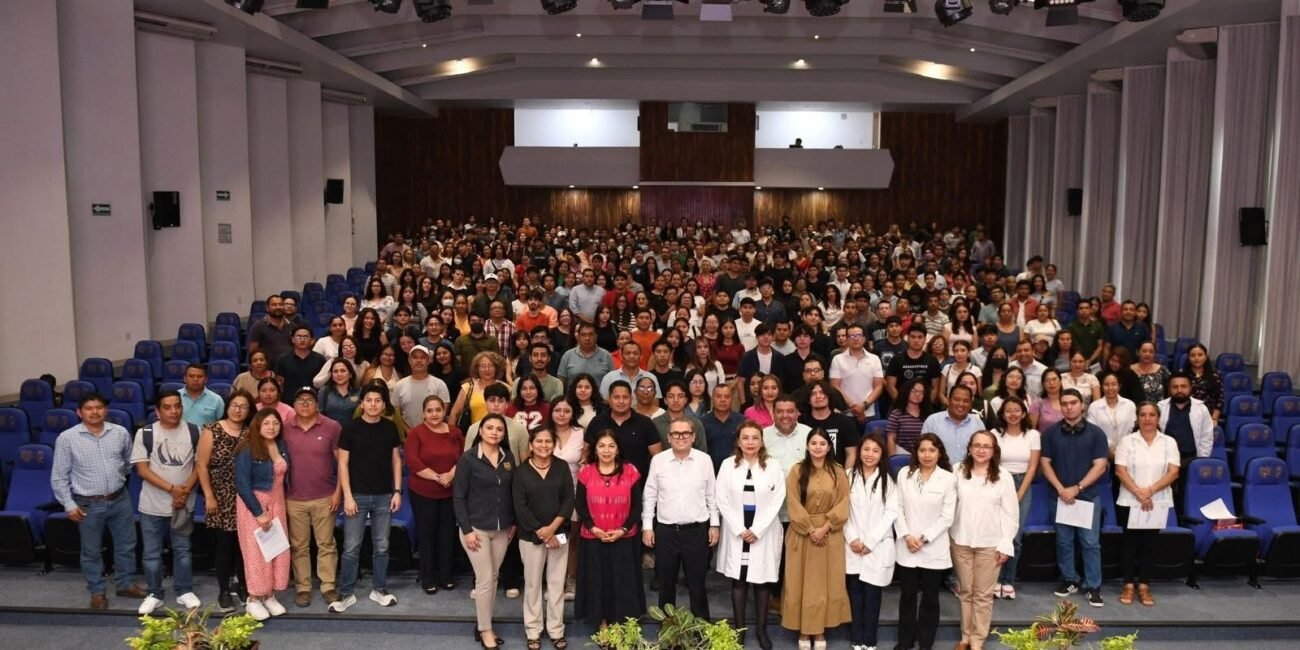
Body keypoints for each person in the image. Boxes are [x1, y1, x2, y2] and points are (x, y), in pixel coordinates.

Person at [50, 393, 147, 609]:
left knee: (126, 545)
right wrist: (69, 504)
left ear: (106, 410)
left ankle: (125, 584)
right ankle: (97, 591)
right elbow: (59, 476)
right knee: (91, 551)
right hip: (87, 504)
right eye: (89, 408)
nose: (95, 412)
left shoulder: (120, 433)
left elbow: (127, 462)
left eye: (99, 407)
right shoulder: (67, 438)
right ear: (79, 412)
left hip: (119, 498)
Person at [331, 385, 404, 612]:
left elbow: (396, 460)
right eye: (369, 400)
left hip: (384, 495)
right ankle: (346, 593)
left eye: (378, 400)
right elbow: (342, 464)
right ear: (362, 403)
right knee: (351, 547)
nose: (373, 404)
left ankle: (379, 589)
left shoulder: (390, 427)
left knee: (382, 546)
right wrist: (348, 497)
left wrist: (397, 491)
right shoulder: (350, 429)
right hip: (357, 496)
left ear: (384, 404)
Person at [129, 390, 200, 615]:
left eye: (177, 406)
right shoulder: (145, 433)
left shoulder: (193, 431)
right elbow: (142, 469)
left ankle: (184, 590)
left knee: (183, 550)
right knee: (151, 553)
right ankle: (154, 593)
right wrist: (173, 489)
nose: (174, 411)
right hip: (152, 505)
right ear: (158, 411)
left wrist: (185, 491)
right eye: (167, 407)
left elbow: (200, 465)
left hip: (183, 505)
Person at [715, 420, 785, 650]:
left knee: (762, 581)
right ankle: (740, 630)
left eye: (755, 437)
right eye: (745, 437)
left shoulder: (773, 465)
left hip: (763, 531)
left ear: (762, 440)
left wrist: (757, 529)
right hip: (737, 530)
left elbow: (778, 499)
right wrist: (739, 529)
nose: (750, 442)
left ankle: (762, 630)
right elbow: (721, 499)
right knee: (739, 580)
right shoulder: (727, 465)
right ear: (738, 441)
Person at [642, 418, 719, 619]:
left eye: (686, 433)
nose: (681, 437)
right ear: (668, 438)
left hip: (697, 531)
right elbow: (650, 495)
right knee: (666, 585)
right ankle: (667, 631)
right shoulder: (659, 461)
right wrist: (647, 527)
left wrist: (715, 524)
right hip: (666, 531)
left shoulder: (705, 460)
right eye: (676, 433)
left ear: (693, 437)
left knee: (697, 585)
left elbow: (712, 494)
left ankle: (702, 631)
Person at [781, 428, 851, 650]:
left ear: (829, 447)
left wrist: (825, 527)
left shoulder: (838, 472)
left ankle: (820, 631)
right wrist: (811, 529)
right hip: (802, 534)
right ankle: (803, 630)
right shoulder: (797, 471)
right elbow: (792, 503)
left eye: (822, 443)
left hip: (830, 535)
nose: (818, 447)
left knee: (825, 585)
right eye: (814, 443)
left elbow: (843, 503)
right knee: (800, 583)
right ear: (807, 445)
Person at [1040, 389, 1110, 607]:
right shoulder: (1050, 433)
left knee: (1090, 543)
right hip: (1060, 497)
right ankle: (1069, 579)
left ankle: (1092, 586)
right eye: (1064, 403)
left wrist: (1077, 488)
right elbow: (1045, 463)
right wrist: (1062, 489)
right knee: (1064, 541)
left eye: (1073, 402)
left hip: (1087, 496)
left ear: (1082, 405)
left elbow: (1100, 466)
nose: (1069, 407)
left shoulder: (1096, 433)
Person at [951, 431, 1019, 650]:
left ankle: (977, 640)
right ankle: (965, 637)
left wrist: (1006, 542)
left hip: (990, 543)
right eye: (977, 445)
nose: (981, 450)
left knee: (982, 595)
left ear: (993, 451)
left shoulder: (1003, 476)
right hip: (960, 540)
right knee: (966, 591)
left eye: (986, 446)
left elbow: (1011, 513)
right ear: (970, 448)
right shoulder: (957, 470)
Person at [454, 413, 517, 650]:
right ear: (480, 431)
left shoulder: (508, 457)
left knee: (493, 578)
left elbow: (513, 492)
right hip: (476, 529)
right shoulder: (468, 459)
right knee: (484, 580)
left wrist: (513, 523)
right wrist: (466, 529)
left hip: (502, 529)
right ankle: (485, 629)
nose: (494, 432)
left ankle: (484, 622)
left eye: (499, 429)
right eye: (489, 428)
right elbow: (458, 497)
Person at [573, 429, 646, 628]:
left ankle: (619, 622)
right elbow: (580, 505)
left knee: (622, 582)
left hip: (624, 537)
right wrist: (593, 528)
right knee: (598, 582)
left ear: (618, 449)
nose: (607, 450)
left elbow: (637, 506)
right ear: (595, 449)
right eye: (602, 446)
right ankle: (602, 622)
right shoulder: (586, 472)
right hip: (593, 538)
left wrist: (623, 529)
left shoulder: (630, 471)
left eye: (611, 446)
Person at [1111, 402, 1180, 608]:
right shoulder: (1127, 441)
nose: (1147, 419)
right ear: (1137, 418)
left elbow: (1173, 471)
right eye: (1143, 415)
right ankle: (1128, 585)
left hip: (1157, 501)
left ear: (1158, 418)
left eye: (1152, 415)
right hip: (1129, 501)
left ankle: (1144, 585)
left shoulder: (1169, 442)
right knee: (1129, 544)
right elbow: (1120, 471)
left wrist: (1149, 491)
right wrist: (1139, 493)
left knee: (1150, 545)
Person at [513, 427, 576, 650]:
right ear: (530, 445)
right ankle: (533, 630)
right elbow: (519, 507)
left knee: (557, 584)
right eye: (538, 441)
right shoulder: (520, 472)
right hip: (530, 536)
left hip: (559, 533)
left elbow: (569, 500)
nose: (543, 445)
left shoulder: (561, 468)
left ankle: (556, 629)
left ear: (553, 444)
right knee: (532, 584)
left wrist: (552, 528)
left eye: (548, 441)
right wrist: (542, 531)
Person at [280, 386, 343, 609]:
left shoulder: (332, 427)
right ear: (293, 405)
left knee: (326, 544)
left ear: (317, 404)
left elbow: (342, 463)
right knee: (299, 546)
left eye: (309, 400)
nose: (305, 404)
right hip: (294, 497)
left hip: (325, 497)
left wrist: (338, 492)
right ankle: (303, 587)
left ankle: (328, 585)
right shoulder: (284, 428)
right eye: (300, 400)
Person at [894, 433, 956, 650]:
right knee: (907, 597)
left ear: (939, 453)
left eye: (932, 450)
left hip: (933, 546)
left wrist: (924, 538)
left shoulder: (948, 478)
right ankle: (905, 641)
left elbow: (947, 516)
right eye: (922, 450)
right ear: (916, 453)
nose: (927, 455)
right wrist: (907, 535)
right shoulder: (904, 474)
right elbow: (897, 508)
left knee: (930, 598)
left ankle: (926, 643)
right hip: (906, 544)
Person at [233, 407, 291, 621]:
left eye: (275, 423)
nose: (271, 427)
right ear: (257, 425)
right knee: (257, 554)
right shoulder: (247, 449)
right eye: (266, 423)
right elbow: (242, 484)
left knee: (277, 551)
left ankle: (269, 595)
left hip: (277, 503)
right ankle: (254, 599)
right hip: (254, 505)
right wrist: (258, 513)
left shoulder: (281, 445)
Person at [197, 390, 253, 611]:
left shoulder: (250, 433)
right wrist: (209, 495)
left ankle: (242, 584)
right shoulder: (212, 430)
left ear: (249, 411)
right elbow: (201, 465)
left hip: (245, 495)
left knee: (244, 545)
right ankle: (223, 589)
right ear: (227, 407)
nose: (238, 410)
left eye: (244, 407)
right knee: (225, 544)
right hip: (220, 495)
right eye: (235, 405)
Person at [844, 434, 898, 650]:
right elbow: (842, 511)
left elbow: (891, 512)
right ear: (859, 451)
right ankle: (857, 639)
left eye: (875, 450)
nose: (869, 454)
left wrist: (871, 540)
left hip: (877, 545)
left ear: (881, 454)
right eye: (866, 449)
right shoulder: (848, 476)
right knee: (855, 593)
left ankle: (870, 640)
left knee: (873, 595)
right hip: (852, 544)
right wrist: (853, 538)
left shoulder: (888, 480)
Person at [405, 395, 464, 594]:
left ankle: (446, 576)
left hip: (449, 492)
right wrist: (438, 477)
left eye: (438, 410)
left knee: (447, 534)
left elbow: (464, 457)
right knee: (427, 535)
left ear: (444, 411)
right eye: (429, 411)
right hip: (423, 492)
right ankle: (428, 576)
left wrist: (450, 475)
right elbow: (413, 462)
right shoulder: (416, 433)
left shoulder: (455, 432)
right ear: (423, 413)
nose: (434, 414)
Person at [991, 397, 1039, 600]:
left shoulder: (1033, 435)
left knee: (1015, 536)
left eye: (1017, 410)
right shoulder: (995, 435)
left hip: (1023, 485)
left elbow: (1033, 467)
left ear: (1023, 413)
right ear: (1002, 414)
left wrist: (1019, 493)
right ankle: (994, 580)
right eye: (1008, 410)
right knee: (995, 534)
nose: (1012, 414)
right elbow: (991, 463)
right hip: (999, 482)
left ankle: (1008, 580)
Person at [1157, 372, 1215, 499]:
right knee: (1165, 497)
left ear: (1190, 388)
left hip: (1191, 460)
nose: (1179, 390)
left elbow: (1207, 437)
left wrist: (1201, 460)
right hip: (1165, 461)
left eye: (1183, 386)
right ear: (1169, 389)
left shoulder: (1201, 408)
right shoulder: (1160, 407)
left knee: (1188, 497)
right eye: (1175, 387)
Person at [831, 324, 885, 424]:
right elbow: (835, 386)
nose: (855, 339)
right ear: (847, 339)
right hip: (846, 413)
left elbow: (878, 386)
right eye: (851, 336)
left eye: (859, 335)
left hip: (870, 412)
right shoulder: (837, 359)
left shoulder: (874, 359)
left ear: (864, 338)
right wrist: (854, 407)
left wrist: (864, 405)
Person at [800, 380, 861, 467]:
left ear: (829, 396)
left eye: (822, 392)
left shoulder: (845, 422)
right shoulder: (802, 422)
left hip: (837, 475)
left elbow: (852, 454)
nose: (818, 396)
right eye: (813, 394)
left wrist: (845, 477)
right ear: (808, 400)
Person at [392, 344, 452, 427]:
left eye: (423, 357)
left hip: (434, 433)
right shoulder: (399, 385)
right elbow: (396, 413)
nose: (419, 360)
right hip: (408, 435)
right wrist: (409, 432)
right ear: (409, 360)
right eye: (415, 357)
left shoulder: (439, 384)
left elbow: (443, 412)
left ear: (428, 361)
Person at [923, 385, 985, 464]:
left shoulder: (977, 423)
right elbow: (923, 450)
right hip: (939, 473)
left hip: (969, 473)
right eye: (956, 399)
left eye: (966, 401)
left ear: (970, 405)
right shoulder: (932, 421)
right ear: (948, 400)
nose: (961, 404)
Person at [1087, 373, 1137, 455]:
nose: (1110, 388)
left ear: (1119, 386)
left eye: (1113, 384)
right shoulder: (1094, 406)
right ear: (1102, 387)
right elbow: (1093, 431)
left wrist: (1122, 448)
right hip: (1101, 450)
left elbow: (1132, 429)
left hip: (1127, 450)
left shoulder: (1129, 405)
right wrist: (1109, 447)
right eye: (1106, 385)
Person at [275, 326, 328, 404]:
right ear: (293, 339)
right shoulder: (283, 359)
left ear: (312, 340)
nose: (302, 339)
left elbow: (324, 384)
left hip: (314, 401)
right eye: (299, 336)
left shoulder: (320, 359)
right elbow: (279, 384)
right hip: (289, 402)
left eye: (306, 337)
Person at [887, 379, 931, 457]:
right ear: (907, 392)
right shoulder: (896, 414)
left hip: (924, 455)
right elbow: (891, 438)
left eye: (921, 392)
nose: (918, 394)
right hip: (901, 454)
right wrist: (892, 459)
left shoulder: (928, 415)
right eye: (914, 391)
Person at [247, 295, 294, 364]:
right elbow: (253, 350)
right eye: (274, 305)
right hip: (267, 369)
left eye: (280, 304)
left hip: (287, 367)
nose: (278, 307)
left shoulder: (292, 325)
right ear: (267, 308)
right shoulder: (259, 326)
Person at [317, 359, 361, 424]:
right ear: (331, 375)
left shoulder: (359, 391)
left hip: (354, 432)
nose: (339, 374)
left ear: (350, 374)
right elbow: (319, 416)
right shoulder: (324, 391)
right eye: (335, 371)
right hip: (330, 432)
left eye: (343, 371)